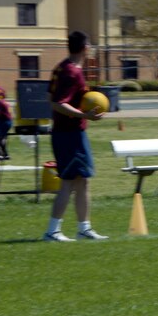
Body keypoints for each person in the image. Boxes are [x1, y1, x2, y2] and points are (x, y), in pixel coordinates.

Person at [42, 31, 108, 242]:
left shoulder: (62, 67)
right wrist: (84, 114)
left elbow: (49, 96)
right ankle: (53, 231)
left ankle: (84, 228)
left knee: (82, 181)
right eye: (89, 43)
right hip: (69, 134)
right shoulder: (72, 72)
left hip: (69, 133)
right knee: (69, 183)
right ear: (84, 47)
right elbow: (58, 103)